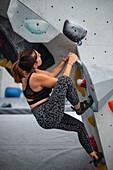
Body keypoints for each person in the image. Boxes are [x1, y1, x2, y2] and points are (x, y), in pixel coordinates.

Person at [11, 49, 103, 167]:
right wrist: (70, 63)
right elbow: (61, 83)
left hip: (45, 116)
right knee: (65, 80)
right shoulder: (34, 77)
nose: (40, 54)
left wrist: (65, 60)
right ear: (34, 64)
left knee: (80, 127)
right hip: (47, 113)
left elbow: (51, 74)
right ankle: (79, 107)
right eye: (37, 55)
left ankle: (94, 156)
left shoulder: (30, 73)